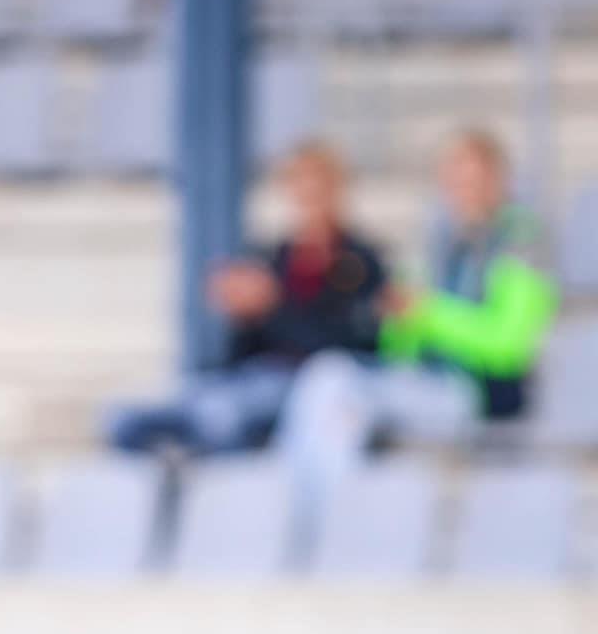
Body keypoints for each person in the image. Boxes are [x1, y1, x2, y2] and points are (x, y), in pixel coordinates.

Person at [276, 128, 558, 538]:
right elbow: (402, 345)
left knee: (335, 384)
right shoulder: (442, 244)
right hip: (430, 382)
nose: (463, 192)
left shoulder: (521, 242)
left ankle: (322, 526)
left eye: (473, 180)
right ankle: (315, 518)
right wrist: (399, 319)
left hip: (481, 392)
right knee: (326, 382)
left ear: (499, 180)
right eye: (454, 181)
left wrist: (427, 313)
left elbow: (508, 346)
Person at [107, 141, 388, 456]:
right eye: (300, 185)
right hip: (252, 377)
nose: (309, 197)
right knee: (123, 416)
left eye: (318, 186)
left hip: (306, 388)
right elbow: (243, 353)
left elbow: (343, 351)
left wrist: (273, 307)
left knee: (221, 416)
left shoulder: (360, 262)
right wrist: (241, 313)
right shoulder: (273, 258)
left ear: (337, 189)